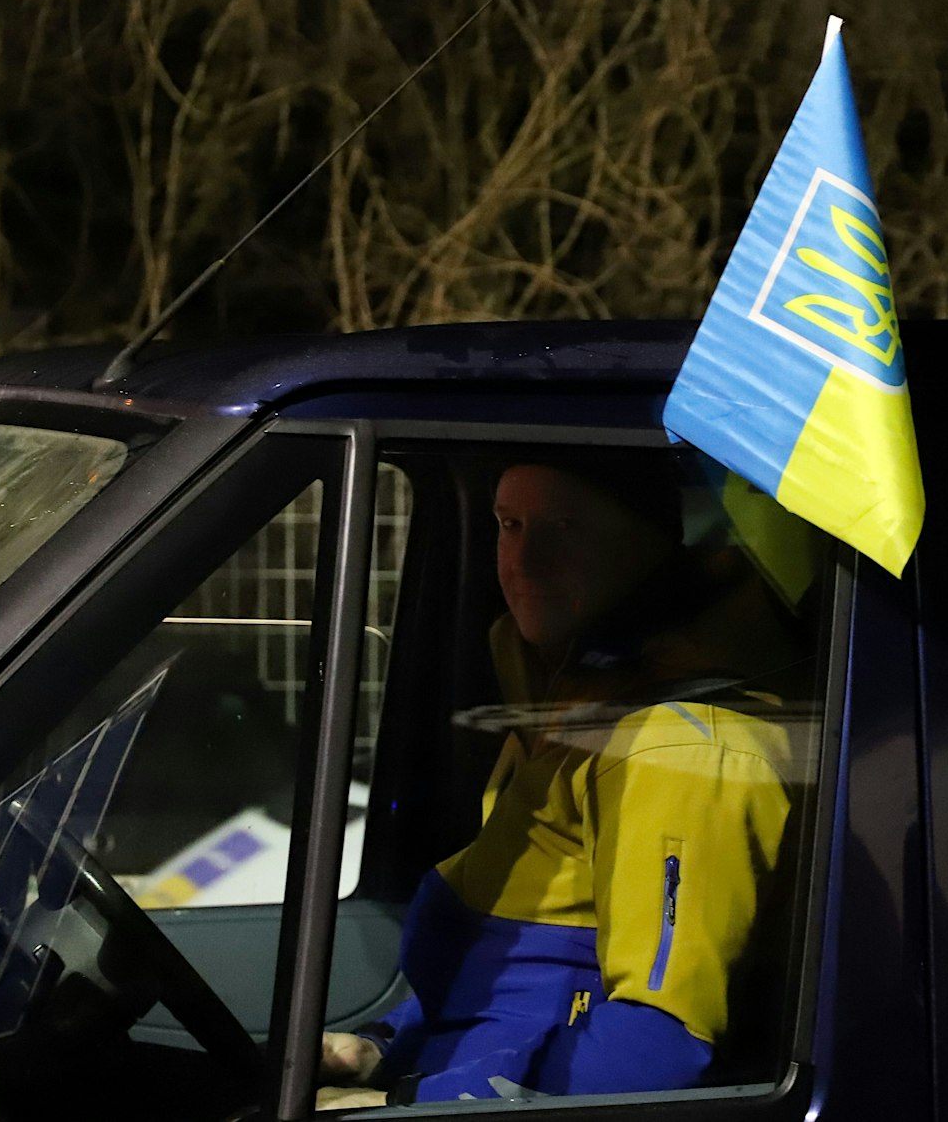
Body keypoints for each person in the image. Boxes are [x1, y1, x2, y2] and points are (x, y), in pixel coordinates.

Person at [314, 455, 804, 1109]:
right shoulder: (578, 698)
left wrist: (407, 1107)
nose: (524, 561)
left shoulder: (681, 748)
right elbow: (521, 975)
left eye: (563, 528)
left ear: (651, 540)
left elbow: (656, 1046)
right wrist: (381, 1046)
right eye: (510, 525)